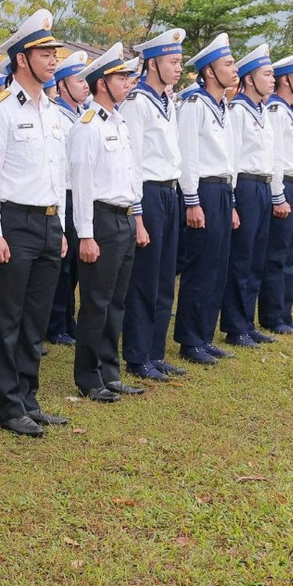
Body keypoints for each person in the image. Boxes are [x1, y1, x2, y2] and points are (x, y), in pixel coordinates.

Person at [0, 9, 71, 437]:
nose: (53, 60)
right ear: (21, 59)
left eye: (54, 52)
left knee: (36, 319)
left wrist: (62, 226)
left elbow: (58, 174)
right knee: (7, 318)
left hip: (48, 222)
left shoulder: (52, 110)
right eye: (44, 52)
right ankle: (8, 406)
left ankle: (29, 396)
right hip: (13, 223)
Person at [69, 44, 145, 403]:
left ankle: (110, 371)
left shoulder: (119, 121)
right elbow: (82, 185)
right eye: (120, 77)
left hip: (124, 218)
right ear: (102, 83)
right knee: (96, 302)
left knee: (117, 300)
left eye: (128, 76)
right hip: (100, 219)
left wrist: (137, 219)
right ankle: (88, 376)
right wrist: (86, 234)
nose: (128, 82)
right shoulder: (88, 126)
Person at [118, 28, 185, 382]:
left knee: (163, 277)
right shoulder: (137, 103)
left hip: (169, 191)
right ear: (153, 63)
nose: (178, 68)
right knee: (144, 278)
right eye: (172, 61)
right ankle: (137, 354)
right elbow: (134, 163)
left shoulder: (166, 102)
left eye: (179, 61)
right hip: (147, 193)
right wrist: (138, 216)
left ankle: (155, 352)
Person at [175, 33, 238, 364]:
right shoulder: (195, 105)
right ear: (210, 71)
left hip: (223, 189)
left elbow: (230, 156)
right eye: (228, 64)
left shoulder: (223, 105)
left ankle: (205, 334)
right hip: (204, 190)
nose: (234, 68)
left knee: (218, 265)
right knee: (200, 267)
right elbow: (188, 157)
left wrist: (234, 202)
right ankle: (190, 339)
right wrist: (192, 201)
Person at [221, 43, 280, 347]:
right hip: (244, 185)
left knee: (257, 257)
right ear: (249, 78)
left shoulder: (262, 111)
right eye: (267, 74)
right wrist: (232, 200)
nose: (273, 80)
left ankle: (248, 321)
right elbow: (231, 158)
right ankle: (235, 326)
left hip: (262, 185)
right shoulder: (238, 111)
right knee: (241, 259)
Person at [259, 51, 293, 335]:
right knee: (277, 254)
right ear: (286, 80)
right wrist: (278, 195)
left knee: (290, 254)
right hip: (282, 186)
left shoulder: (289, 110)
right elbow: (276, 157)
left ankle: (284, 313)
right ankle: (272, 315)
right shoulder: (276, 111)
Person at [46, 49, 90, 348]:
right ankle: (55, 323)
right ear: (62, 86)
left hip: (80, 194)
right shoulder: (55, 115)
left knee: (75, 264)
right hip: (62, 195)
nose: (85, 85)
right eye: (79, 79)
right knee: (61, 266)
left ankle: (68, 320)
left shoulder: (81, 115)